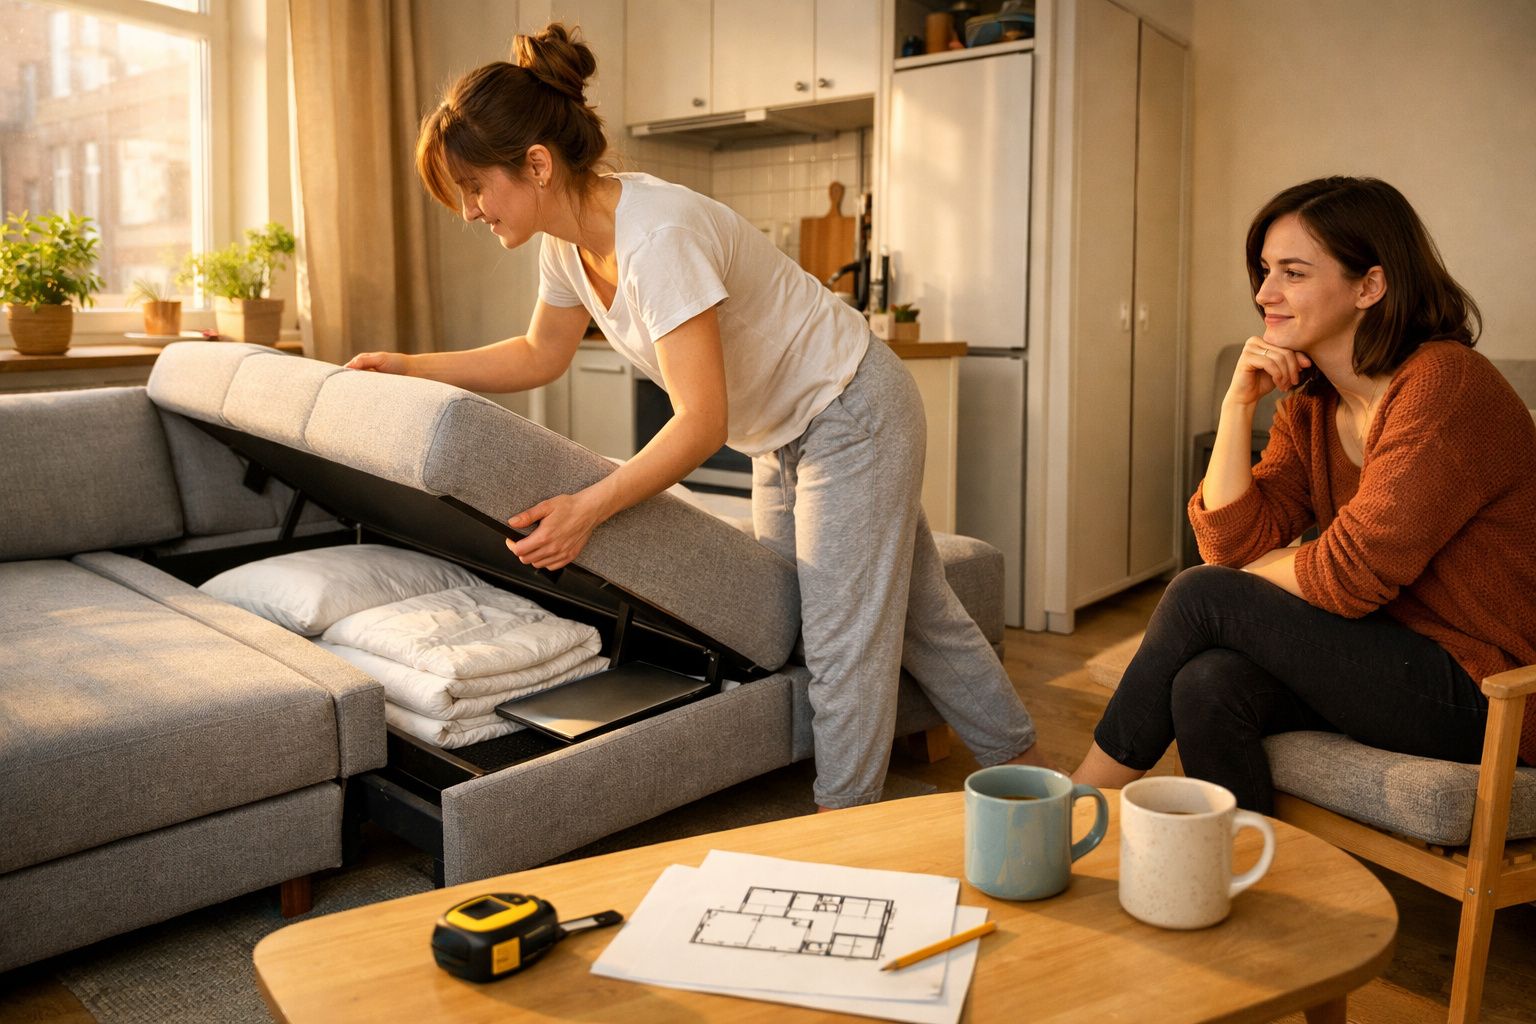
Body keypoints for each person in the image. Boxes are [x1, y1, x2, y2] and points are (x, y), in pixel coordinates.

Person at [347, 24, 1045, 810]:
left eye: (475, 188)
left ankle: (840, 837)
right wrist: (410, 365)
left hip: (851, 409)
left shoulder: (658, 237)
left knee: (839, 644)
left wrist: (589, 506)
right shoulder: (565, 245)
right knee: (916, 612)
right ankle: (1028, 769)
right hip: (784, 432)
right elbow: (540, 353)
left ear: (535, 165)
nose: (470, 211)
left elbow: (700, 420)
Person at [1072, 176, 1536, 812]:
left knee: (1202, 591)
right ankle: (1240, 879)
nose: (1265, 293)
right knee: (1205, 684)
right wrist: (1238, 405)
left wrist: (1236, 581)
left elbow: (1346, 575)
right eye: (1264, 271)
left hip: (1492, 686)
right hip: (1387, 653)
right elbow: (1230, 542)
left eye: (1292, 272)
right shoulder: (1314, 406)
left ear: (1369, 286)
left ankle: (1072, 803)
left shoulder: (1444, 386)